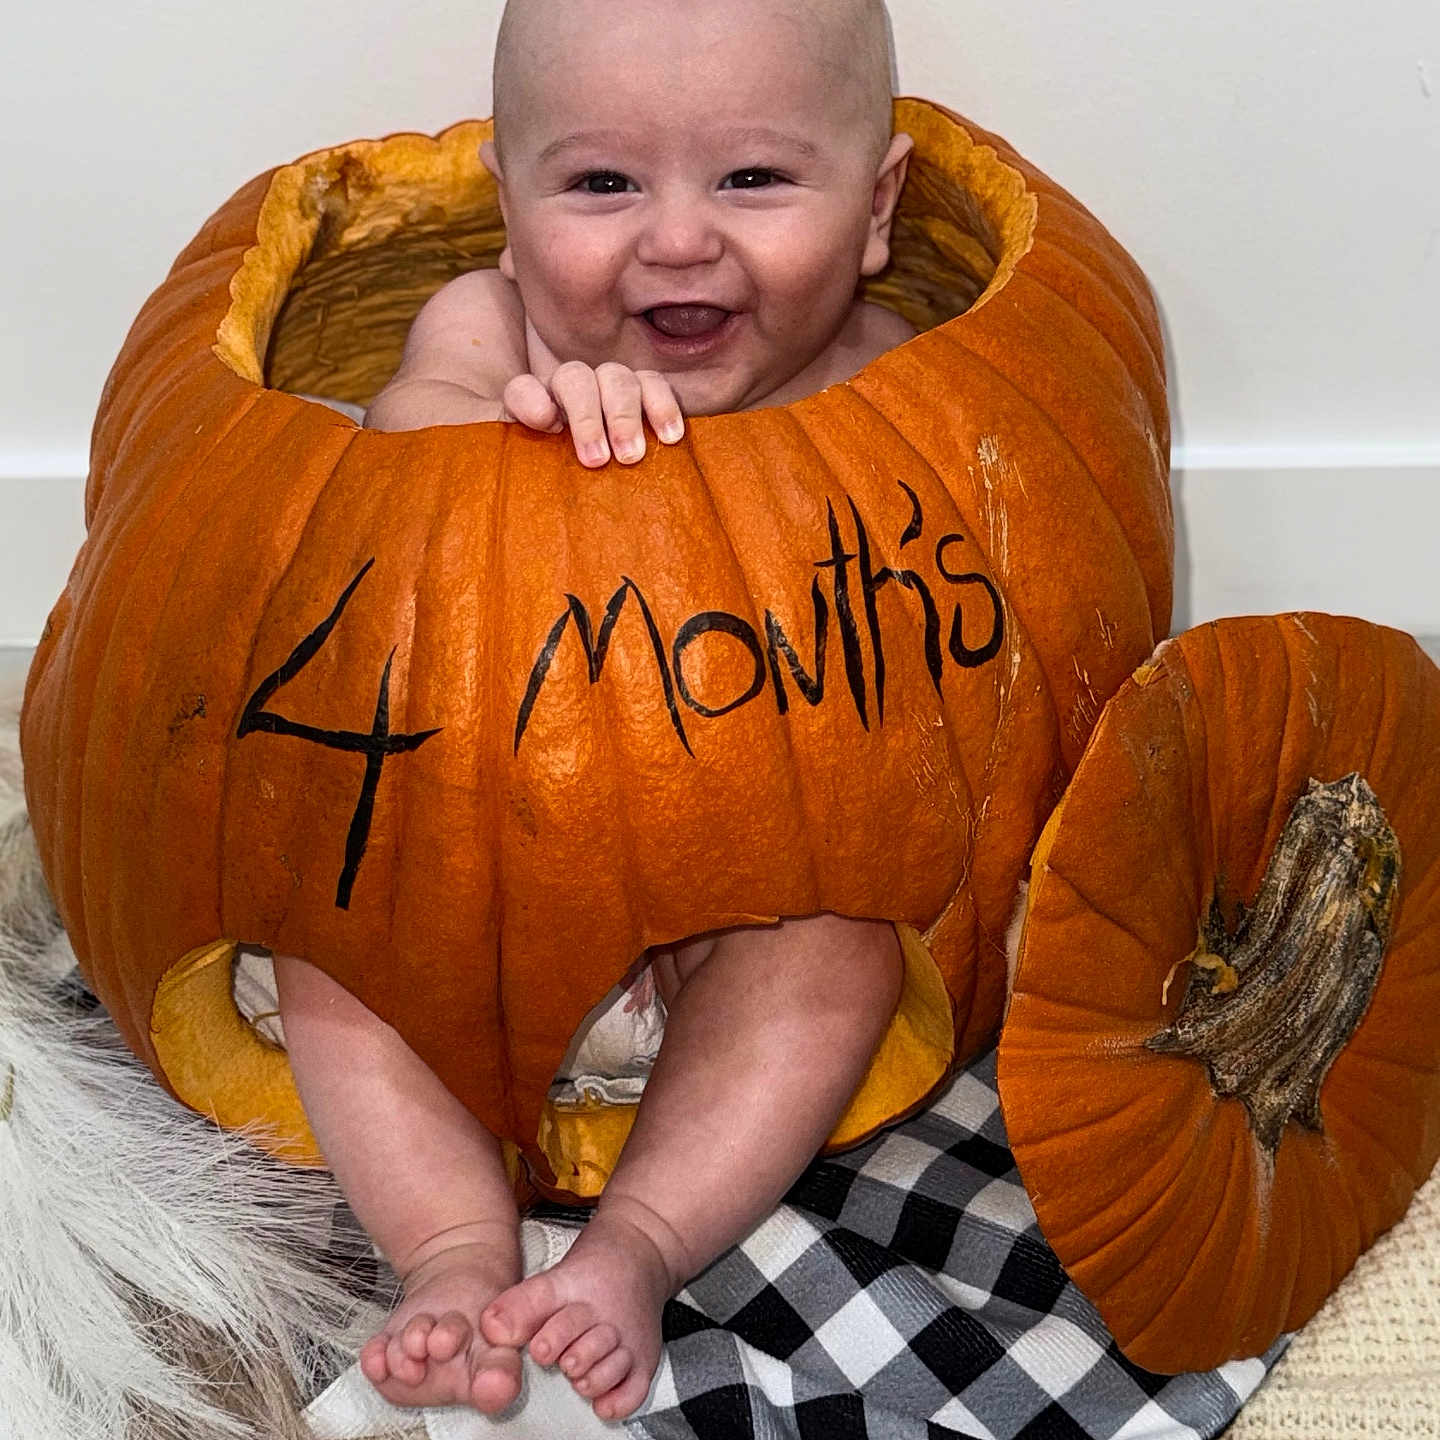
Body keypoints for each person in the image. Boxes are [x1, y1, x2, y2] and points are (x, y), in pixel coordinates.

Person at [274, 0, 918, 1420]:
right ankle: (449, 1250)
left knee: (841, 949)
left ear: (875, 211)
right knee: (325, 937)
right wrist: (526, 424)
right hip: (479, 881)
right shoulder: (481, 326)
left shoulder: (880, 379)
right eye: (602, 183)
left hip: (733, 903)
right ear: (507, 209)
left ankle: (634, 1246)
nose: (677, 238)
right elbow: (400, 456)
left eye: (752, 179)